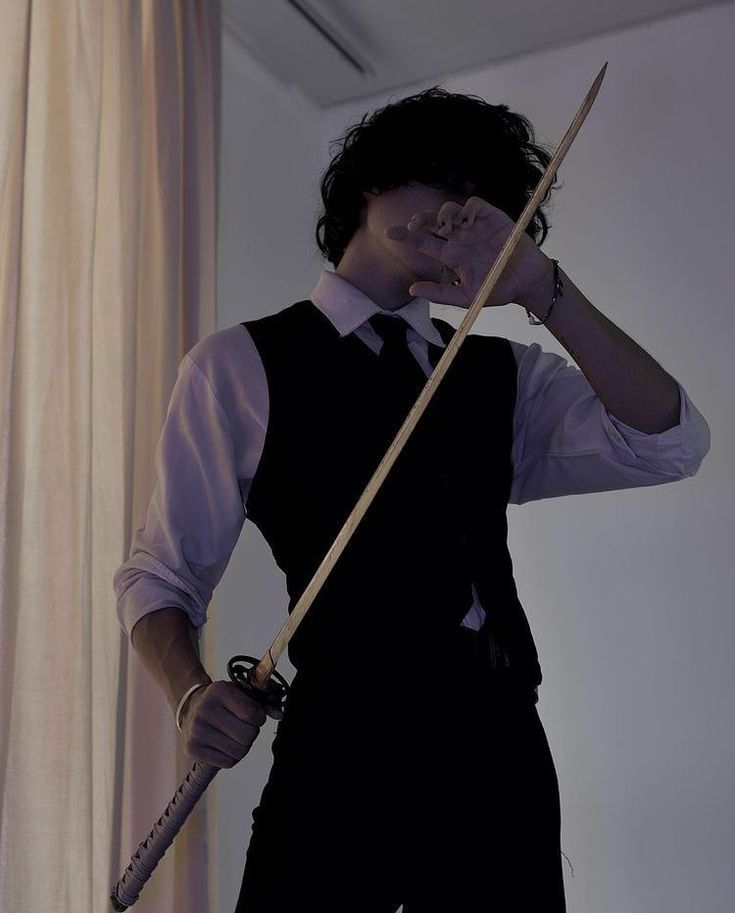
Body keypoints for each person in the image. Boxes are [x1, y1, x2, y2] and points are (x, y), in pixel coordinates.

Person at [114, 87, 710, 912]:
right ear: (372, 181)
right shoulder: (237, 364)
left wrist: (542, 289)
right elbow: (160, 574)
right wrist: (188, 691)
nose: (459, 216)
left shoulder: (502, 375)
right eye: (444, 184)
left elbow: (668, 443)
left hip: (499, 744)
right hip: (340, 745)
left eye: (485, 206)